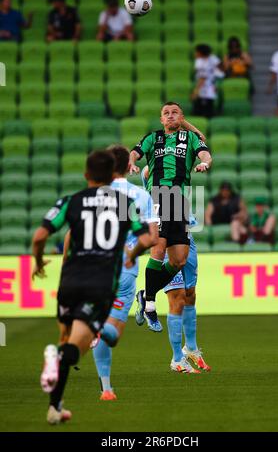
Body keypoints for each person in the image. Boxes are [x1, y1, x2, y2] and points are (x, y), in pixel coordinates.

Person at [32, 150, 154, 424]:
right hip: (102, 282)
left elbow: (41, 236)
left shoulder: (71, 201)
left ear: (86, 174)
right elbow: (147, 238)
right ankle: (93, 333)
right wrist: (132, 256)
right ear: (113, 173)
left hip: (70, 279)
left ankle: (55, 407)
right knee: (103, 335)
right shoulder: (123, 203)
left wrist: (39, 262)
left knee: (69, 341)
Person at [63, 146, 158, 401]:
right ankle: (103, 333)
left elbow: (71, 235)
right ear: (130, 166)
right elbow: (152, 238)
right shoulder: (140, 195)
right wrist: (133, 252)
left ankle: (106, 388)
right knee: (113, 331)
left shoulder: (91, 196)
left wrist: (66, 265)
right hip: (124, 270)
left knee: (98, 324)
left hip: (91, 269)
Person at [129, 102, 212, 331]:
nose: (170, 116)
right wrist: (131, 162)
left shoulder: (190, 139)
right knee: (158, 248)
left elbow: (203, 146)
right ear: (160, 119)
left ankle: (146, 294)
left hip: (179, 201)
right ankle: (151, 305)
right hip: (156, 198)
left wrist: (205, 162)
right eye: (165, 113)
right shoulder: (152, 140)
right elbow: (134, 153)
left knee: (179, 260)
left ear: (182, 117)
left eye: (175, 112)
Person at [136, 166, 211, 374]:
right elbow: (144, 172)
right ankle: (177, 358)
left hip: (185, 234)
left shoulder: (181, 170)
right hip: (165, 237)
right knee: (177, 298)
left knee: (190, 294)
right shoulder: (152, 174)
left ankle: (192, 347)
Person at [191, 44, 224, 118]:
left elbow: (202, 79)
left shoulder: (202, 63)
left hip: (205, 90)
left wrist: (195, 92)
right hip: (211, 87)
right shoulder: (210, 58)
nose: (195, 53)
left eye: (196, 52)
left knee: (203, 112)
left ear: (201, 52)